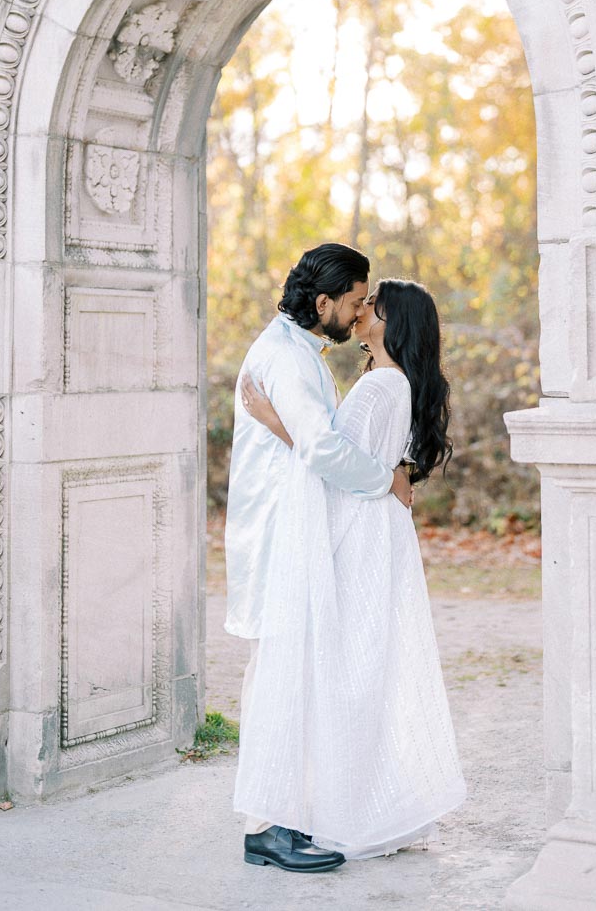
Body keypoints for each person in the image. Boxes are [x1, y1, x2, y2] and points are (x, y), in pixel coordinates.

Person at [236, 278, 466, 864]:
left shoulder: (378, 387)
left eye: (373, 306)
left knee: (340, 671)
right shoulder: (389, 382)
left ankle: (326, 810)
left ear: (392, 324)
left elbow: (333, 464)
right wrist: (395, 472)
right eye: (361, 302)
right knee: (358, 670)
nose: (363, 312)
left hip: (354, 537)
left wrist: (269, 419)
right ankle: (326, 806)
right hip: (376, 532)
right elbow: (366, 459)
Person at [225, 244, 413, 874]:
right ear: (324, 302)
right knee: (279, 673)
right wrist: (385, 480)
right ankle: (268, 825)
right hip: (283, 535)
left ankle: (276, 818)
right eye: (356, 302)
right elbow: (324, 449)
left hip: (295, 529)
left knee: (283, 673)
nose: (360, 314)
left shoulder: (299, 353)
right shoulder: (287, 357)